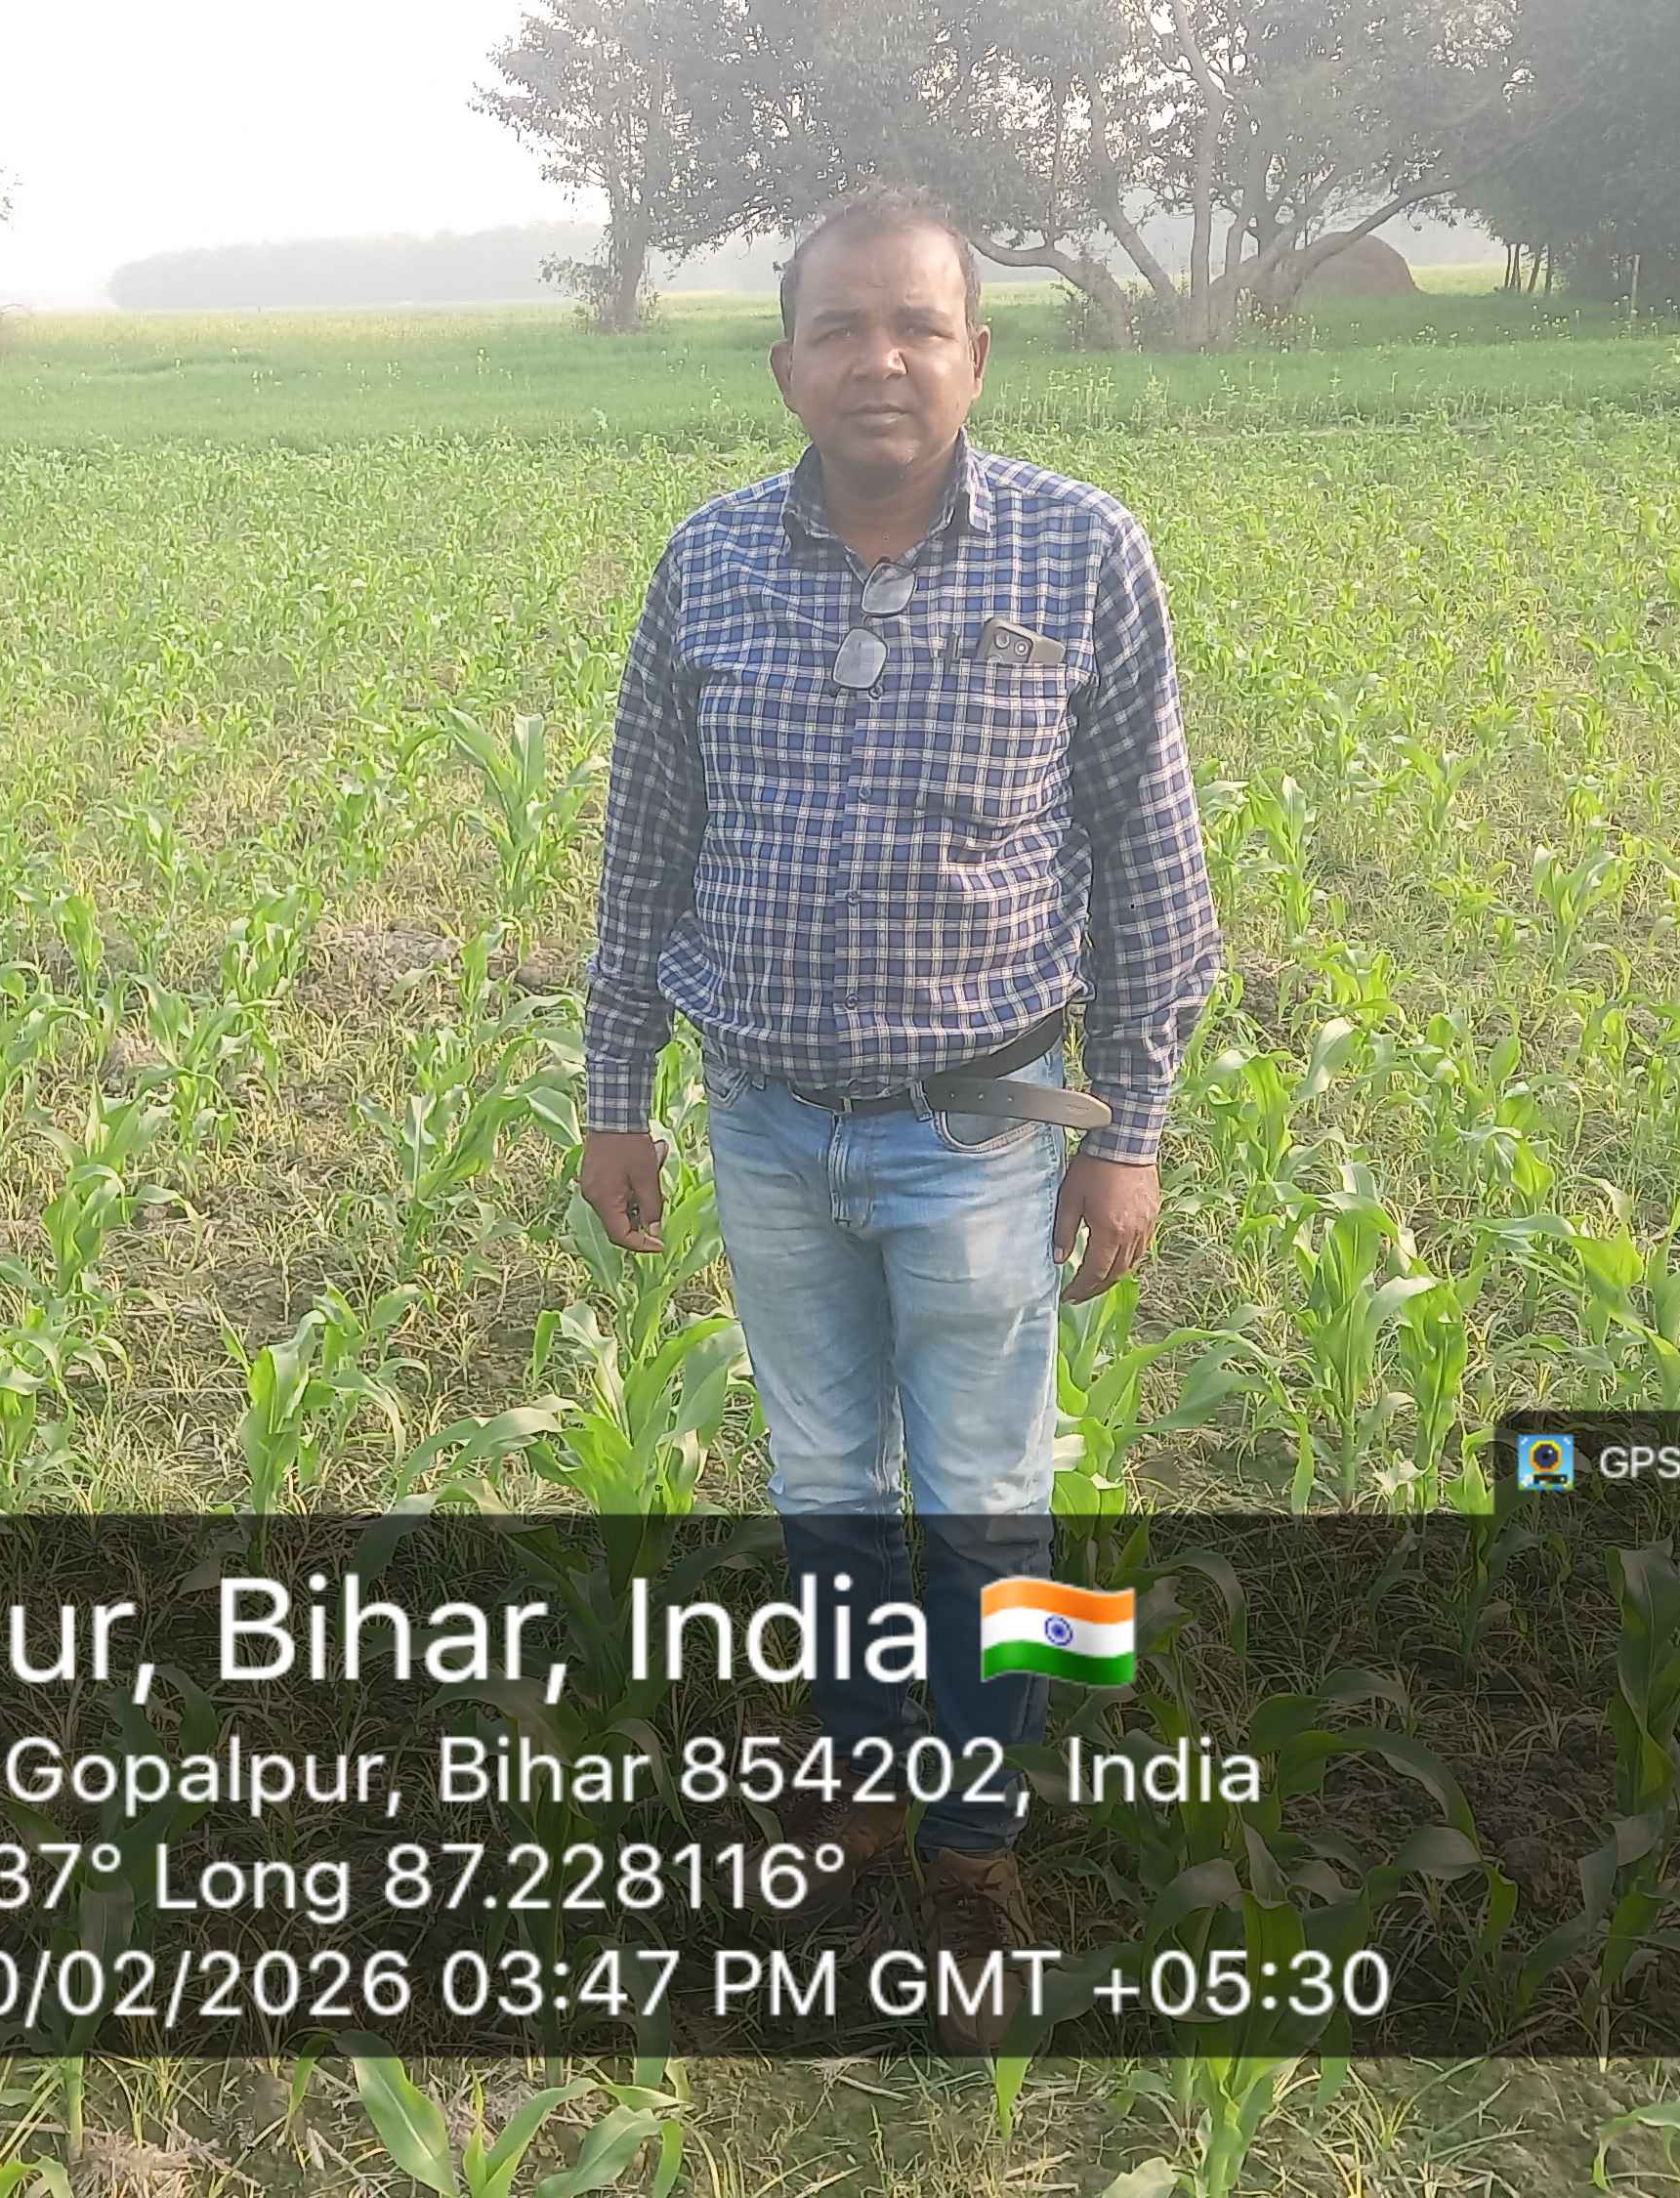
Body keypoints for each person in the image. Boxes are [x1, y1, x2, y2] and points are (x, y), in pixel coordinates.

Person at [574, 189, 1223, 2052]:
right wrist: (615, 1091)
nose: (883, 360)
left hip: (993, 1114)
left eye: (919, 326)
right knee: (828, 1481)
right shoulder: (706, 563)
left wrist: (1128, 1126)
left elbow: (1153, 869)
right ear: (783, 364)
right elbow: (646, 848)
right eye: (843, 328)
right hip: (767, 1114)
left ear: (977, 355)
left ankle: (975, 1843)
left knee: (988, 1490)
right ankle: (865, 1784)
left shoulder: (1083, 553)